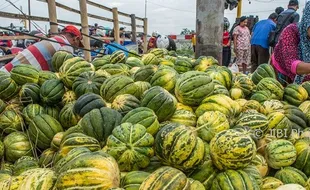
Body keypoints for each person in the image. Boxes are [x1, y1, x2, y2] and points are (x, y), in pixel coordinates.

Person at [0, 25, 84, 73]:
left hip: (5, 72)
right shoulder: (65, 46)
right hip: (12, 79)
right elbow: (66, 71)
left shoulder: (53, 39)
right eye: (78, 43)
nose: (76, 46)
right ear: (75, 38)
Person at [272, 1, 310, 85]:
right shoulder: (291, 31)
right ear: (306, 21)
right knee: (284, 93)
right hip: (283, 70)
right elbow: (291, 64)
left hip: (305, 74)